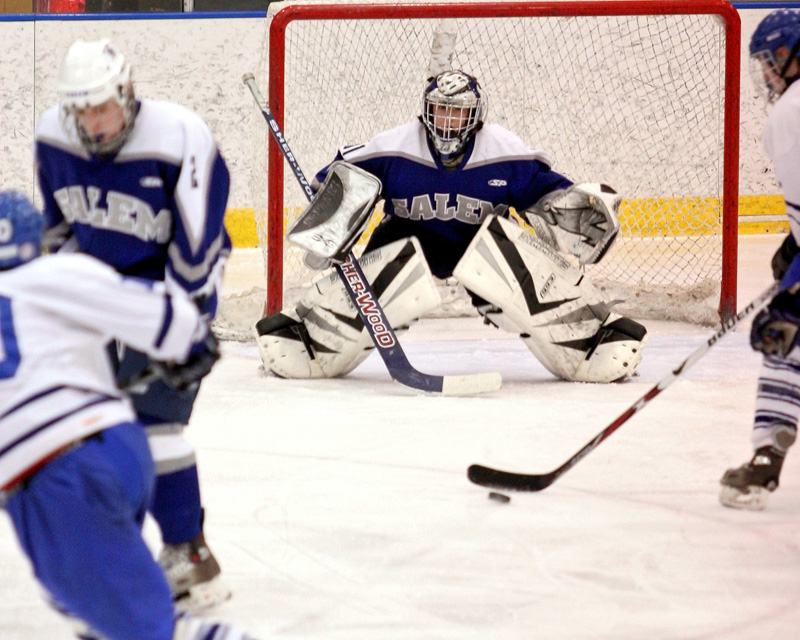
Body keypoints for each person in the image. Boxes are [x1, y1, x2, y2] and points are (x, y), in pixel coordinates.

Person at [255, 69, 647, 384]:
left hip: (478, 246)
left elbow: (546, 194)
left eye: (457, 112)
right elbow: (339, 176)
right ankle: (310, 336)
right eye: (440, 111)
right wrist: (330, 203)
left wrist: (572, 207)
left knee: (518, 260)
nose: (447, 121)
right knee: (382, 273)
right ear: (426, 111)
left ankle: (590, 338)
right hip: (409, 239)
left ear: (475, 117)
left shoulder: (504, 153)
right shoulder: (395, 147)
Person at [0, 190, 256, 640]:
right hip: (123, 447)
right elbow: (165, 317)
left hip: (55, 477)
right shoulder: (62, 271)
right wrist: (193, 340)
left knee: (151, 631)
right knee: (84, 608)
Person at [34, 38, 232, 609]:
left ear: (126, 93)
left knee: (153, 424)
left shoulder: (179, 137)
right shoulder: (53, 135)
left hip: (169, 288)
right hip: (100, 293)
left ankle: (189, 556)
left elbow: (196, 250)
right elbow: (60, 232)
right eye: (83, 110)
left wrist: (180, 325)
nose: (94, 123)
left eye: (104, 107)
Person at [720, 9, 800, 510]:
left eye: (771, 62)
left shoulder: (789, 114)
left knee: (783, 334)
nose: (767, 75)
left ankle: (767, 455)